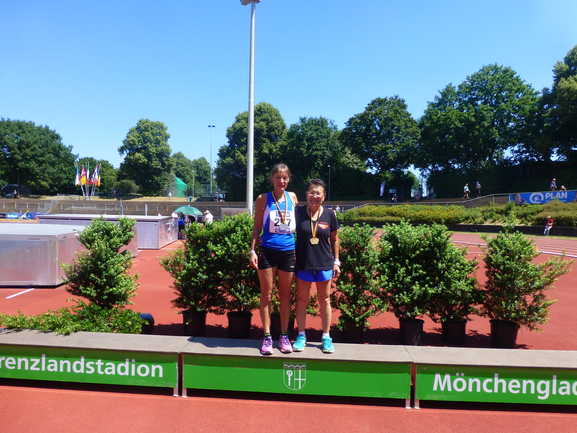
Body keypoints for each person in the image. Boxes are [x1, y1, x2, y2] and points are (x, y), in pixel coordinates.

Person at [249, 163, 298, 355]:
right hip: (268, 251)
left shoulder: (293, 197)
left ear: (289, 179)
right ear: (272, 179)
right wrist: (252, 250)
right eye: (278, 177)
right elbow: (256, 227)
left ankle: (284, 335)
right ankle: (267, 336)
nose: (281, 181)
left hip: (288, 251)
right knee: (266, 295)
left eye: (285, 178)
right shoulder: (263, 198)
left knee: (285, 296)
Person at [293, 179, 340, 354]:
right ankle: (301, 335)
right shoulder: (298, 212)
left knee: (325, 300)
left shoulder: (329, 214)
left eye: (318, 193)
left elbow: (335, 239)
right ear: (306, 195)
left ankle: (326, 336)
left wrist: (336, 261)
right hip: (303, 264)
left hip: (324, 264)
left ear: (323, 196)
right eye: (311, 192)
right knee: (301, 300)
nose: (314, 196)